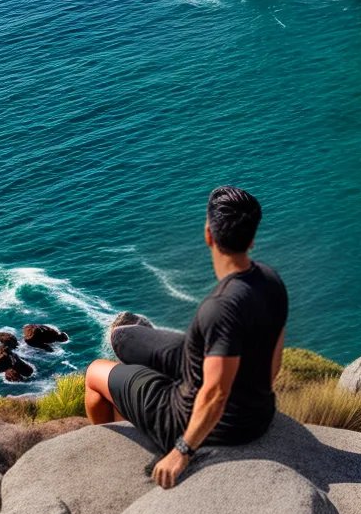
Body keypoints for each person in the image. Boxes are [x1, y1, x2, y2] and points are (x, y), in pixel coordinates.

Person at [84, 185, 287, 489]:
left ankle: (117, 454)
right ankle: (132, 357)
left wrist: (182, 450)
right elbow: (273, 363)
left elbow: (216, 393)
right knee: (133, 340)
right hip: (259, 413)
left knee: (94, 373)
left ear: (208, 234)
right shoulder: (271, 280)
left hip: (193, 421)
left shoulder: (220, 308)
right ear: (252, 238)